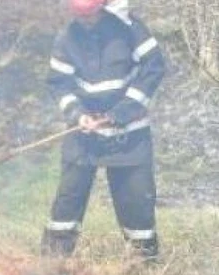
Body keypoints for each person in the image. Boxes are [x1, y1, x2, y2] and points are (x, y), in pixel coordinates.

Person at [41, 0, 166, 259]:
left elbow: (153, 68)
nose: (85, 21)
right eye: (79, 16)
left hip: (129, 135)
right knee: (67, 201)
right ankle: (52, 266)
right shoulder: (67, 37)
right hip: (84, 135)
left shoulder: (131, 29)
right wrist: (77, 114)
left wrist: (122, 112)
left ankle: (144, 268)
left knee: (136, 205)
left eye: (90, 15)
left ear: (103, 8)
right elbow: (59, 83)